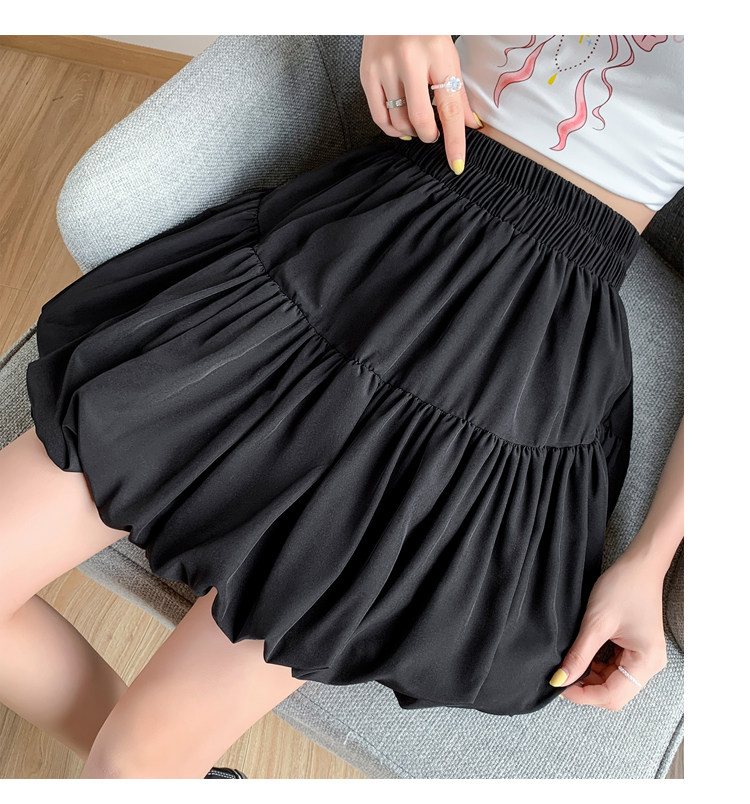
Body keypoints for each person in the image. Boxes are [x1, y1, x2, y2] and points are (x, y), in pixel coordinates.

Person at [0, 34, 684, 779]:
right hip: (370, 237)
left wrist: (649, 561)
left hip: (513, 360)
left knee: (130, 768)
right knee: (132, 771)